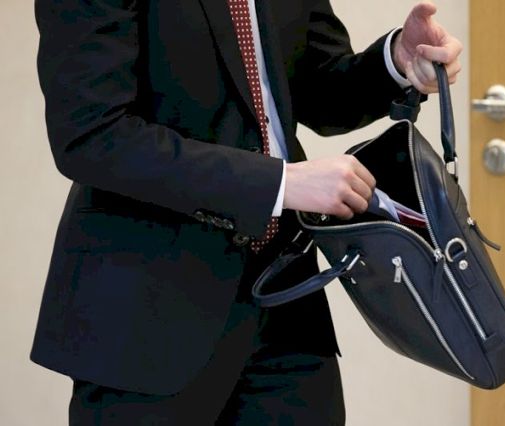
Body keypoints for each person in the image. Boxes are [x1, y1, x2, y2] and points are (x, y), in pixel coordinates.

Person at [31, 0, 462, 424]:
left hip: (287, 301)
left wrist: (395, 60)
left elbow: (316, 88)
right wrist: (278, 183)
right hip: (148, 309)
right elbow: (93, 135)